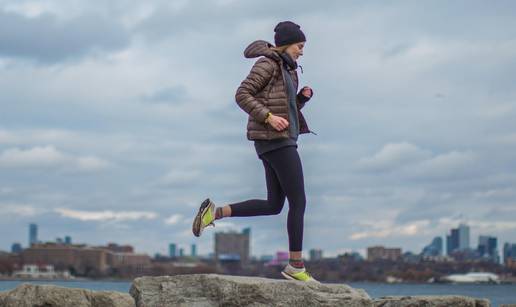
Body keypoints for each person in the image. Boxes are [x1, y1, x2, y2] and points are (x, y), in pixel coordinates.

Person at [193, 21, 317, 282]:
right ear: (287, 44)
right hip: (275, 140)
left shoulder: (288, 70)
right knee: (299, 201)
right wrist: (269, 117)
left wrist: (300, 100)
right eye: (300, 46)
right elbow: (242, 94)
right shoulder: (267, 63)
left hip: (277, 139)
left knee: (274, 205)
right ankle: (296, 266)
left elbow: (283, 107)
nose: (302, 52)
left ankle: (213, 213)